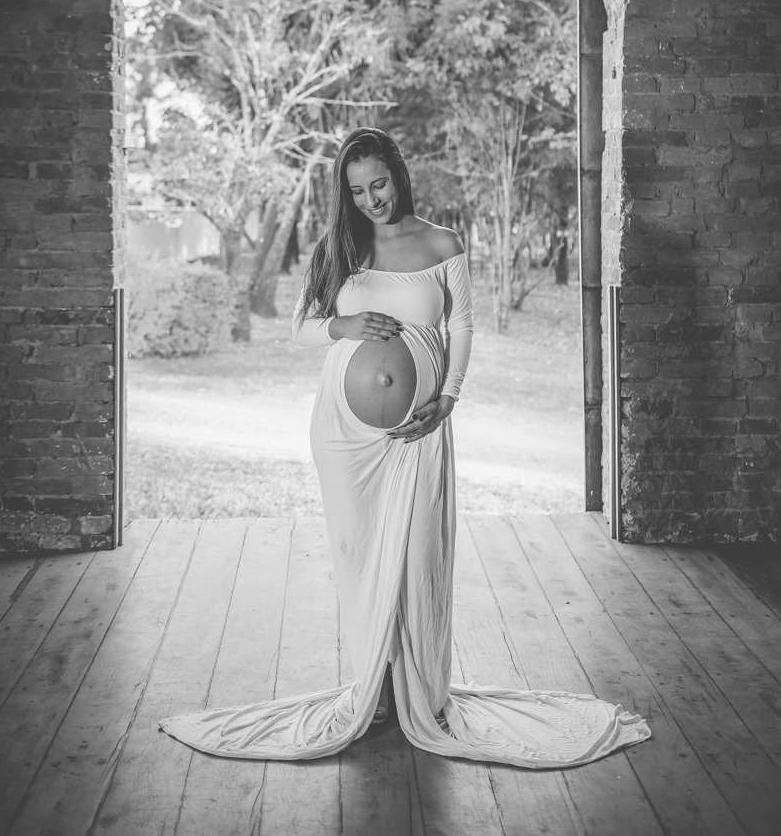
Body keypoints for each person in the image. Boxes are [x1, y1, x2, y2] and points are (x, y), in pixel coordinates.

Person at [158, 127, 650, 766]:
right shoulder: (341, 247)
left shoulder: (442, 243)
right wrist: (345, 324)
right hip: (344, 439)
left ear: (399, 172)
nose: (371, 200)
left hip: (417, 429)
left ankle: (418, 687)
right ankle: (375, 685)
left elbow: (463, 323)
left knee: (418, 554)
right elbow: (302, 329)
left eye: (379, 183)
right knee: (360, 558)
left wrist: (448, 397)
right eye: (358, 190)